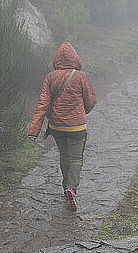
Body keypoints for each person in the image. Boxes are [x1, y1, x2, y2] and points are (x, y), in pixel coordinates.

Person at [28, 42, 96, 212]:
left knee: (64, 156)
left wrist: (33, 132)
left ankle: (66, 186)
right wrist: (82, 111)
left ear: (57, 59)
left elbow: (42, 104)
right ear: (75, 59)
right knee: (76, 159)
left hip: (56, 127)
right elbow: (90, 101)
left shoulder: (50, 77)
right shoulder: (81, 77)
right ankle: (71, 189)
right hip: (76, 127)